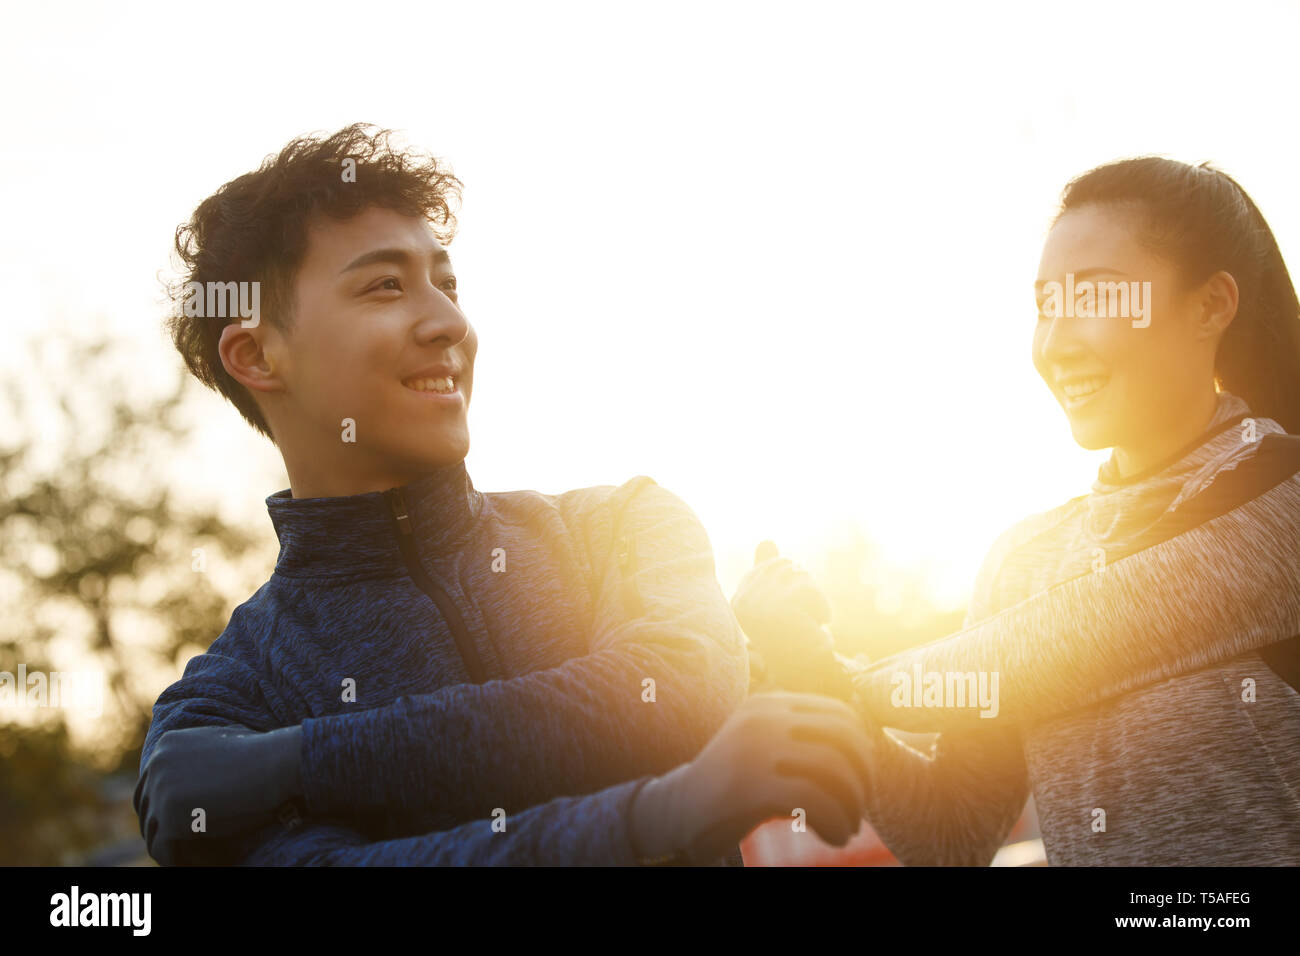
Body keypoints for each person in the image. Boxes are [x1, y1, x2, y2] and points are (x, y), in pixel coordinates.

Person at [134, 123, 872, 865]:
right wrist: (659, 814)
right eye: (385, 285)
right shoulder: (223, 706)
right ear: (257, 354)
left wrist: (293, 762)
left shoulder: (619, 525)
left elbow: (673, 694)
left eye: (447, 284)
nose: (450, 322)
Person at [734, 157, 1300, 865]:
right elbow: (949, 833)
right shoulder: (1025, 560)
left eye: (1095, 299)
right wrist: (827, 689)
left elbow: (1073, 640)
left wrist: (833, 676)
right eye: (1045, 306)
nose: (1057, 342)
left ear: (1212, 305)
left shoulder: (1285, 498)